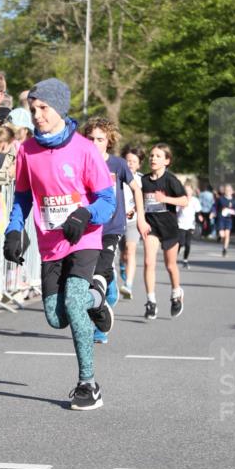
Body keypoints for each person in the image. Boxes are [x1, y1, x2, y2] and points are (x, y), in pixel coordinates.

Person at [3, 78, 115, 411]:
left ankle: (88, 384)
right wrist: (13, 231)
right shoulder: (27, 151)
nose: (37, 115)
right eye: (32, 108)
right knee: (55, 317)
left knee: (74, 301)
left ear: (60, 109)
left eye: (43, 108)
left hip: (85, 238)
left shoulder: (84, 149)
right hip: (50, 242)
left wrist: (85, 214)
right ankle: (98, 299)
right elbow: (22, 197)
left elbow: (107, 200)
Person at [81, 119, 147, 343]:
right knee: (90, 277)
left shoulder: (118, 165)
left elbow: (136, 190)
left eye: (100, 139)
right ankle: (109, 290)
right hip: (88, 227)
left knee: (100, 271)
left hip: (112, 226)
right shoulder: (81, 161)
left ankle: (100, 328)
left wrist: (141, 218)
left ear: (109, 141)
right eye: (90, 139)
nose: (94, 143)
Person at [141, 144, 188, 319]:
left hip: (169, 228)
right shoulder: (144, 181)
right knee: (148, 263)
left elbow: (184, 201)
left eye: (158, 156)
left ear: (166, 161)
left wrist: (165, 198)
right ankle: (151, 302)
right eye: (152, 155)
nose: (153, 158)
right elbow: (139, 200)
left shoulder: (171, 180)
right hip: (151, 227)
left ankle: (176, 294)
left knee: (170, 265)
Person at [119, 144, 146, 298]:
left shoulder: (141, 179)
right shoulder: (116, 175)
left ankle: (128, 285)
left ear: (139, 164)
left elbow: (143, 199)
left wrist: (134, 210)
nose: (130, 164)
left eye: (134, 161)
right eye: (128, 160)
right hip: (116, 220)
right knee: (123, 255)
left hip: (133, 221)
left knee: (131, 250)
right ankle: (123, 265)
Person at [177, 181, 201, 268]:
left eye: (189, 190)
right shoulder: (180, 199)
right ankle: (177, 253)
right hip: (180, 224)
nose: (187, 192)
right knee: (181, 241)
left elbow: (198, 212)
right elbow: (175, 210)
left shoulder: (195, 200)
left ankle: (185, 260)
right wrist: (180, 206)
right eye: (185, 190)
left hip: (190, 225)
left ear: (192, 191)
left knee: (188, 244)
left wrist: (200, 218)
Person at [216, 184, 235, 257]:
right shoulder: (221, 199)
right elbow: (215, 207)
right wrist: (213, 213)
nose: (228, 191)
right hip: (221, 219)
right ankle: (220, 237)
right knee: (222, 235)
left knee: (227, 235)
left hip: (228, 220)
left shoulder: (234, 200)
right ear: (224, 191)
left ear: (232, 191)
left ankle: (225, 249)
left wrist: (232, 211)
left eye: (230, 190)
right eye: (227, 190)